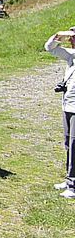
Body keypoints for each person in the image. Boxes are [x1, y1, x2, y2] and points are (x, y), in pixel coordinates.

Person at [44, 28, 75, 199]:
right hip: (67, 106)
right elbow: (49, 47)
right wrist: (59, 36)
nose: (71, 41)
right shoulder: (71, 55)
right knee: (68, 143)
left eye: (74, 38)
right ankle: (69, 178)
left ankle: (73, 185)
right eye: (71, 38)